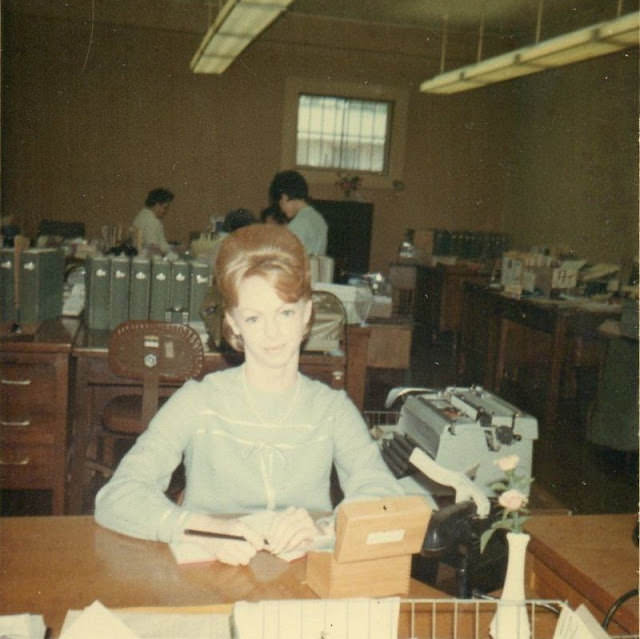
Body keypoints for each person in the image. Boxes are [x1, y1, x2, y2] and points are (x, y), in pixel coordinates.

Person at [95, 224, 402, 566]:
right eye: (254, 318)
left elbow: (385, 497)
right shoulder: (198, 402)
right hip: (210, 581)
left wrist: (328, 528)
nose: (272, 333)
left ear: (307, 314)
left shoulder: (332, 409)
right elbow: (117, 496)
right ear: (233, 324)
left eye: (285, 313)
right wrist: (198, 528)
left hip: (299, 585)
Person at [268, 170, 327, 255]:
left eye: (280, 204)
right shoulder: (319, 219)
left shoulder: (299, 223)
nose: (282, 210)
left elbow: (284, 256)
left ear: (284, 197)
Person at [131, 187, 174, 255]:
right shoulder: (152, 221)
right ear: (157, 205)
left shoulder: (142, 215)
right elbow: (153, 248)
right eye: (165, 208)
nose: (166, 211)